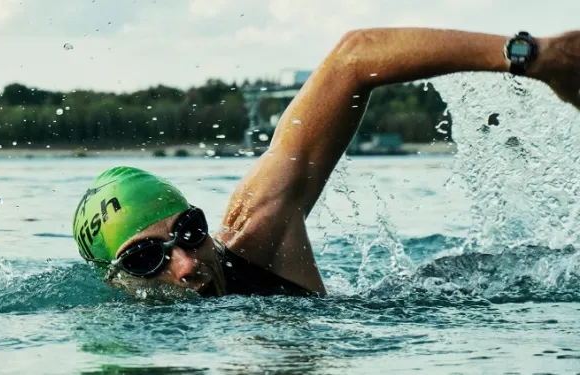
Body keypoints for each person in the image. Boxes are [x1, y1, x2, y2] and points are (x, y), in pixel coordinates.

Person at [72, 27, 580, 299]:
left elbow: (353, 57)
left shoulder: (256, 240)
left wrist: (532, 57)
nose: (186, 264)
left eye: (188, 230)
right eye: (145, 259)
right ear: (116, 280)